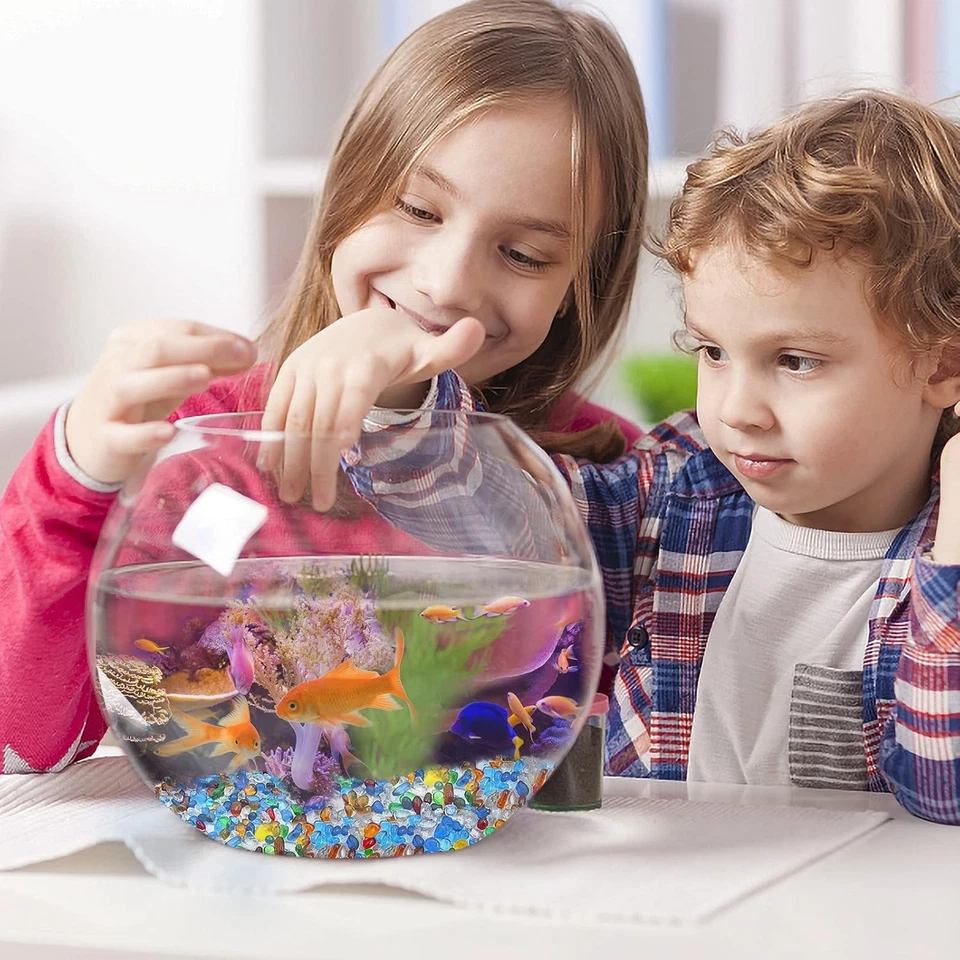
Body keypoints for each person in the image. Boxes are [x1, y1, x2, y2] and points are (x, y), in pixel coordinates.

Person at [0, 0, 649, 774]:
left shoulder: (608, 480)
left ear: (583, 285)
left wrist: (402, 406)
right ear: (345, 189)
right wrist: (75, 480)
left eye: (523, 254)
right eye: (418, 208)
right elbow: (30, 743)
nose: (447, 282)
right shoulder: (198, 452)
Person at [304, 90, 960, 824]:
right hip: (661, 889)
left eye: (796, 361)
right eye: (713, 352)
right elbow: (490, 515)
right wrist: (400, 392)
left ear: (942, 365)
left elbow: (946, 794)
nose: (736, 409)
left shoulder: (943, 555)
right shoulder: (673, 497)